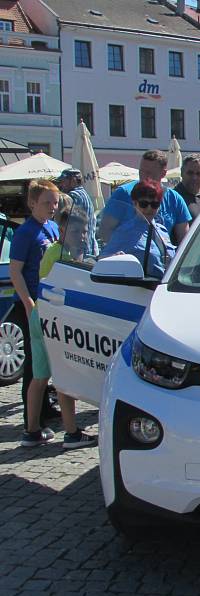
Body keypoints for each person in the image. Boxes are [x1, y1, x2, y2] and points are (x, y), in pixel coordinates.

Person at [21, 200, 97, 449]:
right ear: (62, 231)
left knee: (39, 376)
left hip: (41, 316)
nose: (82, 235)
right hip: (54, 320)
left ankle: (31, 430)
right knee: (64, 377)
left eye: (85, 231)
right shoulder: (62, 255)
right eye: (76, 231)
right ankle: (72, 433)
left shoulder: (62, 251)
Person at [8, 180, 60, 437]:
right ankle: (33, 420)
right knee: (33, 365)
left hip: (49, 305)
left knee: (48, 361)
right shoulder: (25, 232)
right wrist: (27, 303)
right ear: (32, 204)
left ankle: (45, 408)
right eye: (46, 203)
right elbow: (15, 271)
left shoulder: (51, 227)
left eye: (55, 202)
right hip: (32, 304)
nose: (52, 207)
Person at [99, 150, 191, 244]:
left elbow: (184, 239)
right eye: (142, 171)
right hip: (128, 255)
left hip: (160, 255)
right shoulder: (123, 194)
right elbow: (105, 231)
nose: (144, 176)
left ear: (163, 174)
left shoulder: (175, 199)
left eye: (150, 173)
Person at [99, 180, 176, 278]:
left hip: (165, 287)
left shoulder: (162, 230)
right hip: (141, 288)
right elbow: (102, 260)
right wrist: (116, 258)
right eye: (144, 204)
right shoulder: (125, 231)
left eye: (154, 204)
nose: (149, 208)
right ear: (135, 204)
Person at [56, 168, 99, 256]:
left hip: (77, 247)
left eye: (64, 181)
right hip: (88, 245)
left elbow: (68, 222)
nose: (62, 184)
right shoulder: (85, 194)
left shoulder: (73, 195)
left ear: (73, 180)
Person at [173, 154, 200, 220]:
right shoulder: (172, 198)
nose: (194, 177)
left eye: (199, 174)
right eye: (190, 173)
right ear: (182, 172)